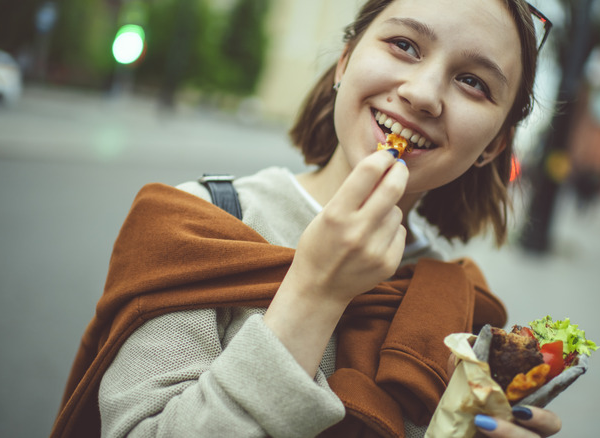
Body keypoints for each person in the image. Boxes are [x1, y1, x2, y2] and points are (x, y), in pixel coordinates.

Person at [51, 0, 563, 437]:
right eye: (405, 45)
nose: (423, 94)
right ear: (344, 63)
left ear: (492, 145)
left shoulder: (462, 309)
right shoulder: (198, 221)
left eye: (472, 82)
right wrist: (316, 290)